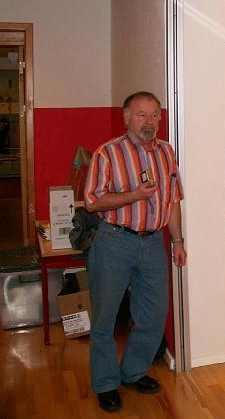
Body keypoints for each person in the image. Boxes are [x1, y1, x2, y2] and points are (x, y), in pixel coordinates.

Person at [84, 91, 186, 413]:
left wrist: (178, 241)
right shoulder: (107, 153)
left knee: (154, 314)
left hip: (154, 243)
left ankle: (133, 371)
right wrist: (134, 195)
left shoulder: (167, 152)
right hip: (115, 241)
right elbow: (92, 201)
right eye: (141, 115)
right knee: (106, 317)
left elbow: (173, 201)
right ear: (127, 117)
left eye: (155, 115)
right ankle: (105, 383)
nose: (149, 121)